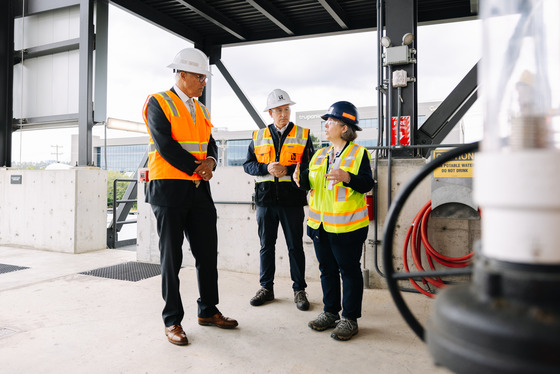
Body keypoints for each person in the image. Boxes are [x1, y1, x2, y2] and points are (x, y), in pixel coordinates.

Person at [142, 47, 238, 346]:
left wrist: (210, 162)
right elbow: (165, 145)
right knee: (172, 259)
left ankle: (208, 311)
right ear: (181, 75)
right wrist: (199, 170)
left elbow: (208, 145)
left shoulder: (201, 109)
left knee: (207, 254)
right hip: (169, 190)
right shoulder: (157, 102)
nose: (203, 82)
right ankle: (172, 321)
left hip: (199, 191)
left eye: (204, 77)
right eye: (199, 76)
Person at [294, 101, 374, 341]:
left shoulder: (359, 153)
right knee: (326, 270)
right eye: (325, 121)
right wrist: (300, 179)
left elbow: (367, 184)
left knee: (348, 271)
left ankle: (349, 318)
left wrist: (347, 176)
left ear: (344, 127)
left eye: (330, 121)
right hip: (320, 225)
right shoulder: (319, 154)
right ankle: (330, 313)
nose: (325, 125)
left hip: (347, 226)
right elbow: (310, 185)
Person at [243, 89, 314, 311]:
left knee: (295, 247)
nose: (283, 114)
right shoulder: (258, 136)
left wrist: (287, 169)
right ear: (270, 113)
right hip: (265, 202)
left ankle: (299, 290)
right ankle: (266, 288)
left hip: (291, 201)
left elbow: (311, 166)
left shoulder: (303, 135)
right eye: (279, 110)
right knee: (266, 247)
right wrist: (266, 167)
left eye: (286, 109)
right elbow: (248, 165)